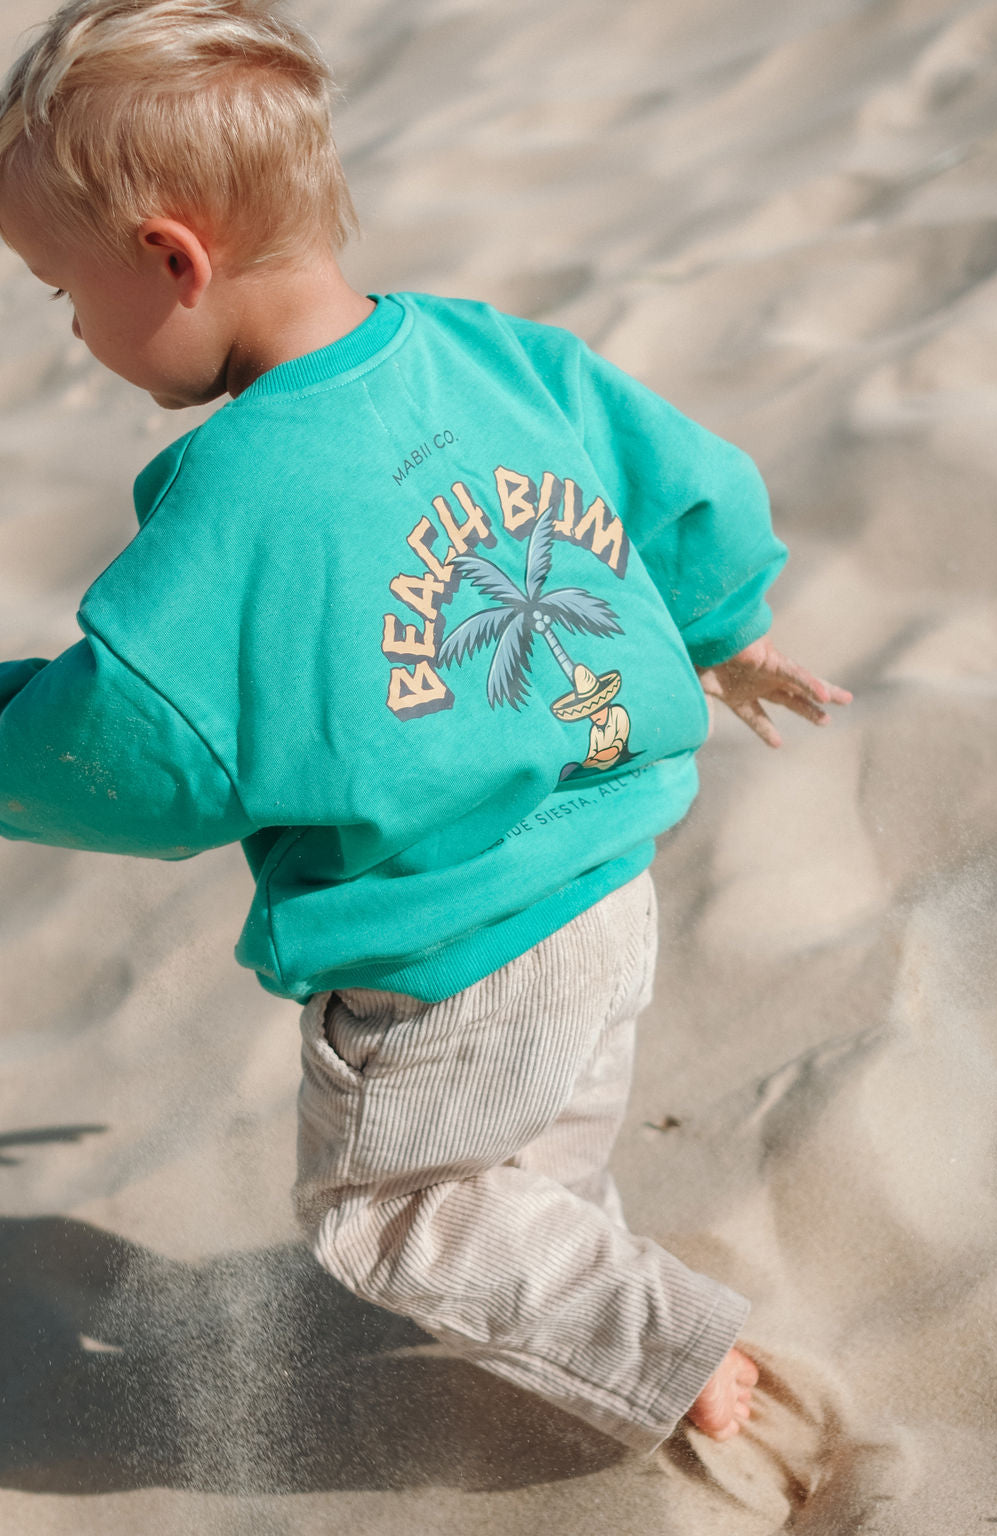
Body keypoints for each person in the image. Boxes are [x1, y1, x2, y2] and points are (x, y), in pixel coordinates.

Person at [0, 0, 850, 1462]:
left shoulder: (239, 494)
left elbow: (139, 746)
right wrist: (727, 624)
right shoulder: (488, 352)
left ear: (169, 256)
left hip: (451, 955)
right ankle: (593, 1320)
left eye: (60, 293)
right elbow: (672, 476)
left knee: (387, 1214)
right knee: (540, 1163)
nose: (75, 334)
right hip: (607, 885)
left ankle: (670, 1346)